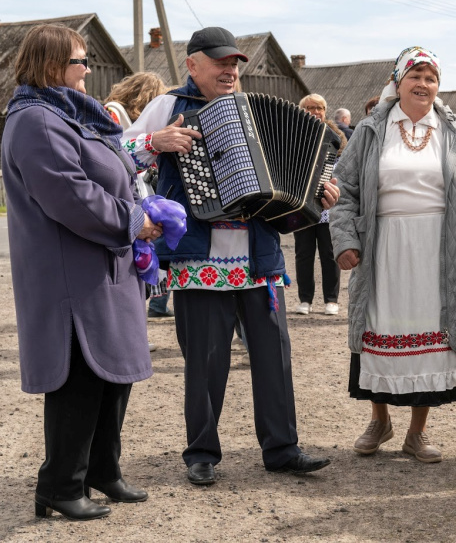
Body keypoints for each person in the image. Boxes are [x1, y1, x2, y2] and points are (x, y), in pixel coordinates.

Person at [123, 26, 337, 485]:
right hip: (200, 257)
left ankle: (282, 448)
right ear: (192, 64)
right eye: (220, 62)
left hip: (259, 257)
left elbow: (293, 175)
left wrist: (318, 193)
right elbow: (116, 155)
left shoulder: (255, 112)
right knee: (205, 360)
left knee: (273, 355)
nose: (230, 70)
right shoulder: (168, 107)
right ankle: (201, 452)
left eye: (235, 63)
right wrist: (153, 144)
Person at [2, 24, 155, 520]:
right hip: (73, 272)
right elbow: (72, 197)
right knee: (82, 378)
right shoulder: (36, 122)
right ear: (50, 67)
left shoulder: (70, 115)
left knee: (113, 374)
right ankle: (60, 485)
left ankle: (101, 471)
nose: (87, 69)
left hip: (103, 265)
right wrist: (134, 220)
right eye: (79, 61)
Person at [331, 46, 456, 463]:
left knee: (432, 329)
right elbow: (343, 189)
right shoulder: (371, 130)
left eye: (431, 77)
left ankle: (416, 433)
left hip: (441, 246)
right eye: (415, 76)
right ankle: (379, 419)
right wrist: (345, 239)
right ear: (398, 82)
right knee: (378, 325)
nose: (423, 84)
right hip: (384, 244)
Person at [105, 72, 174, 330]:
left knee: (141, 266)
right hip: (124, 196)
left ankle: (136, 332)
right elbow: (113, 152)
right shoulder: (112, 112)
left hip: (137, 192)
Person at [294, 94, 347, 316]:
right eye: (310, 108)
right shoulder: (293, 133)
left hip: (327, 205)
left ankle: (331, 299)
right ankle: (305, 299)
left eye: (319, 108)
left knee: (329, 253)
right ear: (302, 110)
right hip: (301, 205)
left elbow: (343, 166)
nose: (315, 112)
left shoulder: (336, 136)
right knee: (303, 254)